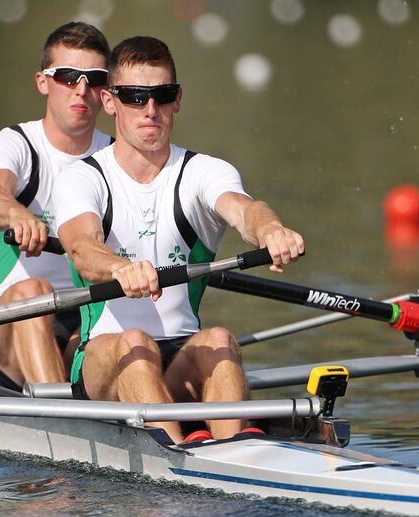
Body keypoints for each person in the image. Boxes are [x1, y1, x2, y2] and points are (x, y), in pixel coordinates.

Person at [53, 36, 304, 443]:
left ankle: (233, 458)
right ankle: (176, 472)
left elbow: (245, 210)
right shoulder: (83, 178)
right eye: (135, 97)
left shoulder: (203, 171)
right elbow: (82, 247)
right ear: (110, 101)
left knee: (220, 340)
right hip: (104, 358)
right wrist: (120, 268)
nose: (150, 110)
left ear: (178, 99)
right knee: (134, 342)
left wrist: (271, 230)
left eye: (162, 95)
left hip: (178, 355)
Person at [0, 22, 112, 391]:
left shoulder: (118, 158)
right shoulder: (10, 145)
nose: (81, 90)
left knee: (124, 321)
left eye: (94, 78)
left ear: (107, 91)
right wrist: (19, 215)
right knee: (34, 289)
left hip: (84, 316)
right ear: (42, 82)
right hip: (11, 325)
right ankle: (66, 419)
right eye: (67, 76)